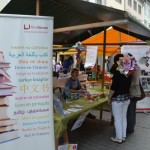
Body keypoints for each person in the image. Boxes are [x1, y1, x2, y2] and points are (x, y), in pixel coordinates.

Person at [108, 54, 132, 144]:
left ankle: (118, 138)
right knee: (123, 117)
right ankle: (123, 136)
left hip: (118, 99)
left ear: (117, 61)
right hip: (126, 98)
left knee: (118, 118)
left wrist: (109, 98)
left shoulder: (118, 72)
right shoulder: (128, 71)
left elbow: (113, 87)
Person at [127, 54, 141, 133]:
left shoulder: (134, 68)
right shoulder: (136, 66)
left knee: (130, 111)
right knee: (132, 110)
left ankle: (130, 128)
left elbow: (135, 82)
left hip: (132, 92)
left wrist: (127, 84)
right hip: (133, 92)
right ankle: (131, 126)